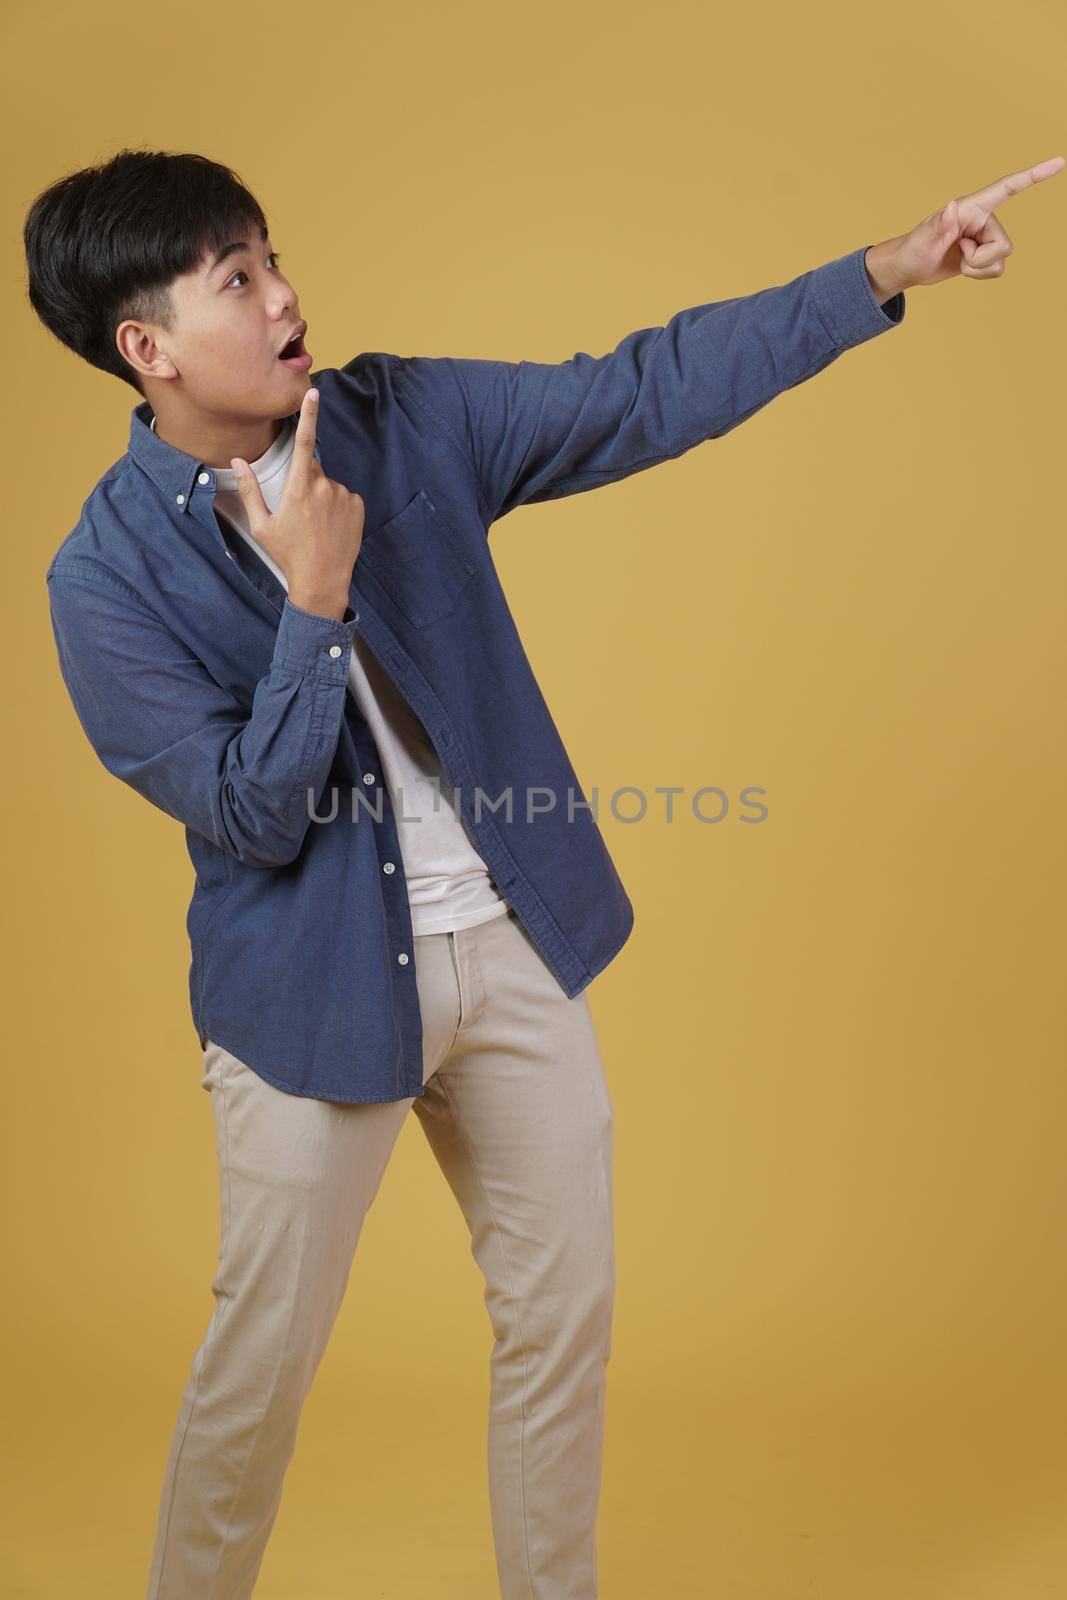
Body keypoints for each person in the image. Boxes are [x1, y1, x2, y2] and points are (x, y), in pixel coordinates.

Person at [25, 145, 1059, 1600]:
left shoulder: (403, 420)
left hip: (510, 948)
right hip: (310, 999)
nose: (284, 295)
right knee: (259, 1373)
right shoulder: (104, 580)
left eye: (274, 255)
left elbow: (643, 387)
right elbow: (251, 819)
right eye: (237, 279)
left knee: (562, 1324)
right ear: (147, 347)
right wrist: (312, 604)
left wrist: (883, 273)